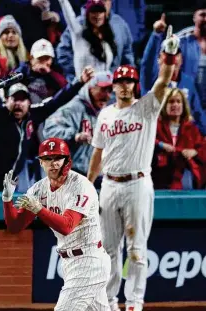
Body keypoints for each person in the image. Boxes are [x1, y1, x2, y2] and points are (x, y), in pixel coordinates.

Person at [87, 26, 179, 311]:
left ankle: (135, 303)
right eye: (120, 82)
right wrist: (88, 184)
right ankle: (111, 302)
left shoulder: (147, 108)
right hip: (109, 185)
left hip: (138, 183)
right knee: (109, 250)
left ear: (135, 85)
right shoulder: (105, 115)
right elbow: (97, 153)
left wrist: (170, 53)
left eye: (129, 82)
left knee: (137, 249)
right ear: (113, 85)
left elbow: (164, 80)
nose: (125, 86)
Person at [2, 137, 111, 310]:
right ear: (41, 163)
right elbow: (15, 226)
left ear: (67, 160)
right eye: (47, 159)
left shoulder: (81, 185)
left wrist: (39, 209)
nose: (53, 164)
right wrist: (7, 200)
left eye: (57, 158)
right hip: (69, 263)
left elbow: (67, 226)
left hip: (89, 260)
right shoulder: (38, 189)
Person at [0, 66, 95, 191]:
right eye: (14, 99)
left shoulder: (32, 117)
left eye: (22, 100)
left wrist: (79, 82)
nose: (18, 103)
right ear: (6, 100)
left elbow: (57, 101)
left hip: (9, 182)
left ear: (29, 103)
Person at [43, 71, 114, 189]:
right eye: (103, 89)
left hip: (98, 175)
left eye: (110, 90)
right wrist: (74, 136)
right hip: (73, 174)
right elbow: (49, 129)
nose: (107, 95)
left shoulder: (108, 111)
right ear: (91, 88)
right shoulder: (74, 107)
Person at [140, 13, 206, 136]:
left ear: (181, 58)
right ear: (159, 58)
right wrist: (156, 35)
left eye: (176, 54)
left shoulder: (188, 81)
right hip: (154, 137)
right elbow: (147, 62)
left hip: (181, 139)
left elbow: (197, 113)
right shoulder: (152, 78)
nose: (173, 58)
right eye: (167, 53)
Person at [56, 0, 134, 82]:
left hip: (107, 88)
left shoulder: (117, 26)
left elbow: (127, 56)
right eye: (94, 12)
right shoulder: (78, 29)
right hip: (83, 88)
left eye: (100, 11)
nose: (97, 15)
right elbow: (63, 53)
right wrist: (77, 78)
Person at [152, 87, 206, 190]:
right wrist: (161, 145)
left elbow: (203, 147)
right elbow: (146, 141)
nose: (175, 105)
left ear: (183, 105)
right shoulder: (156, 127)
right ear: (164, 106)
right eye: (171, 102)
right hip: (159, 174)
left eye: (178, 101)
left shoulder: (191, 129)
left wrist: (195, 152)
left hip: (183, 175)